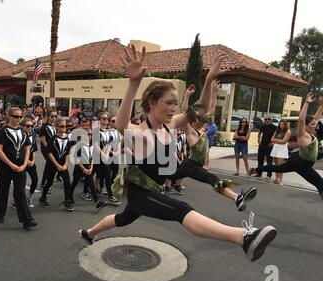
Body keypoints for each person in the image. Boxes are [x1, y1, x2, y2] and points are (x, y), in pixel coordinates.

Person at [79, 45, 276, 262]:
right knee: (181, 209)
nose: (174, 108)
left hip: (153, 189)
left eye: (175, 103)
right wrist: (133, 83)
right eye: (169, 102)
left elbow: (200, 110)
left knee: (122, 219)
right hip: (141, 195)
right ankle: (243, 237)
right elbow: (121, 123)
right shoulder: (139, 132)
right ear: (153, 103)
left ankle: (88, 233)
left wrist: (209, 79)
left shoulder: (170, 124)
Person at [170, 83, 257, 212]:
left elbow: (211, 110)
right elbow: (185, 112)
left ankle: (160, 185)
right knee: (213, 179)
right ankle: (237, 198)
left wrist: (215, 92)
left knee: (169, 176)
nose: (205, 119)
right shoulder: (191, 133)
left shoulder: (203, 130)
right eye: (201, 118)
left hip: (192, 165)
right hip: (190, 165)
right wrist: (187, 95)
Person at [251, 93, 323, 199]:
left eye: (315, 124)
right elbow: (302, 120)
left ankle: (255, 170)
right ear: (306, 126)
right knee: (320, 183)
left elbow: (316, 118)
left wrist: (321, 106)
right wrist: (307, 102)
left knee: (278, 168)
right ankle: (257, 170)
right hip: (301, 164)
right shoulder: (302, 135)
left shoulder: (312, 132)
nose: (315, 125)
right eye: (312, 124)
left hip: (300, 161)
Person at [0, 107, 37, 229]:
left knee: (20, 192)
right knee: (3, 190)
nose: (18, 119)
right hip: (5, 167)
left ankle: (27, 219)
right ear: (9, 117)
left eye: (20, 117)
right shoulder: (3, 131)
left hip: (20, 167)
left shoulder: (23, 132)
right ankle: (0, 213)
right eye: (16, 116)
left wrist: (24, 164)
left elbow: (27, 148)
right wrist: (11, 164)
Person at [69, 126, 108, 212]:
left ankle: (97, 203)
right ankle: (69, 197)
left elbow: (93, 157)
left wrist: (91, 167)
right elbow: (77, 159)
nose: (90, 136)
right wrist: (84, 169)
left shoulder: (92, 145)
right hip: (79, 168)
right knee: (74, 183)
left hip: (88, 168)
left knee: (92, 185)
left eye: (91, 134)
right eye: (88, 134)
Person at [39, 118, 74, 211]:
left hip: (63, 164)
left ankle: (67, 201)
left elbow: (67, 153)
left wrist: (66, 164)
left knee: (67, 182)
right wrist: (57, 165)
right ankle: (43, 198)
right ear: (56, 127)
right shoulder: (53, 139)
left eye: (65, 126)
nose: (64, 128)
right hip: (53, 164)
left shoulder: (67, 138)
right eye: (61, 126)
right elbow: (49, 153)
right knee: (49, 182)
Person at [93, 112, 120, 206]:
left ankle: (110, 195)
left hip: (105, 157)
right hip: (96, 156)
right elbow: (95, 145)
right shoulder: (96, 131)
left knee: (107, 175)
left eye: (107, 119)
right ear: (99, 120)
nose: (106, 120)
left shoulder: (109, 131)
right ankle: (86, 191)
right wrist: (102, 154)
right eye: (104, 119)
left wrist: (106, 154)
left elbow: (109, 144)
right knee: (93, 174)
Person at [39, 111, 58, 192]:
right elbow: (43, 140)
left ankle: (43, 183)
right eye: (52, 116)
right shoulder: (44, 127)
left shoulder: (55, 126)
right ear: (48, 117)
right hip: (46, 149)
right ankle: (46, 184)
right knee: (50, 165)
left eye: (55, 116)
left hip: (52, 149)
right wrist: (49, 149)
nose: (54, 118)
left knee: (48, 166)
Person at [22, 118, 38, 208]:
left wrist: (32, 161)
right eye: (28, 126)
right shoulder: (21, 135)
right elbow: (20, 151)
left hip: (31, 161)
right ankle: (17, 201)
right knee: (21, 183)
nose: (30, 128)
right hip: (22, 161)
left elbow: (34, 149)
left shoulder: (33, 134)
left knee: (35, 180)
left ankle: (29, 197)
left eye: (32, 126)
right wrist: (27, 160)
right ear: (23, 126)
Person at [270, 120, 291, 185]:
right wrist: (278, 140)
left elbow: (284, 141)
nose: (281, 125)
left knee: (280, 165)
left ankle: (280, 179)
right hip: (276, 148)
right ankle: (276, 178)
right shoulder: (277, 130)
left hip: (282, 149)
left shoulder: (288, 131)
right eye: (280, 124)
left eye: (283, 124)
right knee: (276, 164)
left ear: (285, 125)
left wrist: (276, 140)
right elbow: (271, 139)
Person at [256, 115, 277, 180]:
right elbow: (259, 133)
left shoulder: (274, 127)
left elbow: (277, 136)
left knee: (269, 161)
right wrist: (259, 140)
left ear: (271, 120)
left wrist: (273, 143)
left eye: (269, 119)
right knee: (260, 159)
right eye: (266, 119)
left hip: (269, 146)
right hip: (262, 145)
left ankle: (269, 175)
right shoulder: (263, 126)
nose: (267, 120)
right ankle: (259, 173)